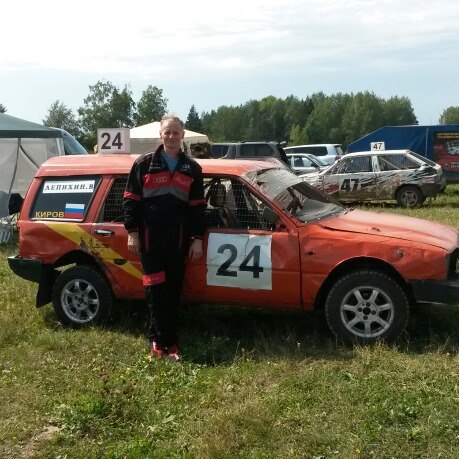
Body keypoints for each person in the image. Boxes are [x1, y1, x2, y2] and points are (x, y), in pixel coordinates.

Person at [123, 116, 206, 361]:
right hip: (150, 241)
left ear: (182, 135)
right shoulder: (143, 163)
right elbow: (130, 201)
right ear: (161, 134)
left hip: (178, 242)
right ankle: (161, 342)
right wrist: (132, 232)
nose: (171, 136)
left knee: (172, 292)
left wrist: (197, 238)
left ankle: (167, 342)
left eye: (175, 132)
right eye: (167, 132)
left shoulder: (192, 168)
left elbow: (198, 208)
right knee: (155, 292)